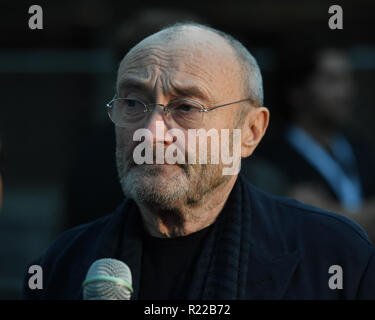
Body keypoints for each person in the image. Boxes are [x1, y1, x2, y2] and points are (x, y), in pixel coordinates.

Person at [23, 23, 375, 300]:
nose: (151, 133)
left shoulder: (335, 257)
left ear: (250, 131)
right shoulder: (60, 269)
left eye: (186, 108)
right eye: (132, 103)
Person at [252, 45, 375, 243]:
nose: (347, 92)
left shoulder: (360, 147)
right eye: (331, 81)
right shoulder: (271, 159)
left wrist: (327, 213)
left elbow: (320, 223)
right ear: (296, 93)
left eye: (348, 79)